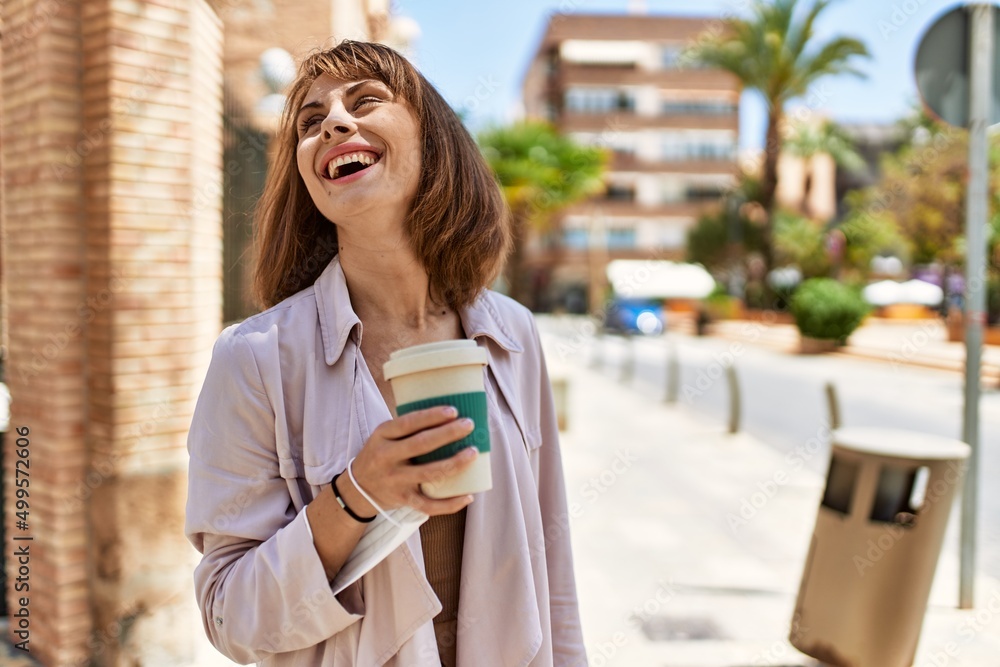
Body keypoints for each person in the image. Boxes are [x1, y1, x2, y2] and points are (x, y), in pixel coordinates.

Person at [184, 40, 586, 666]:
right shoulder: (256, 359)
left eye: (367, 100)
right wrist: (356, 495)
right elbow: (230, 616)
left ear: (434, 140)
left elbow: (551, 569)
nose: (334, 124)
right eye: (311, 123)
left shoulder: (512, 335)